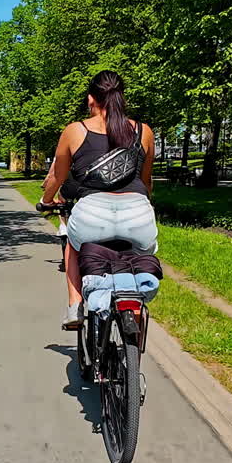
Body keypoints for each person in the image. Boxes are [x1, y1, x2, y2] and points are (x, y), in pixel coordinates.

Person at [40, 70, 156, 327]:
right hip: (138, 215)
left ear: (91, 98)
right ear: (121, 97)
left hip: (92, 214)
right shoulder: (144, 131)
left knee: (73, 245)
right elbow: (146, 181)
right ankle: (134, 331)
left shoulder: (75, 131)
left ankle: (75, 305)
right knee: (138, 259)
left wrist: (47, 200)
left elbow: (57, 177)